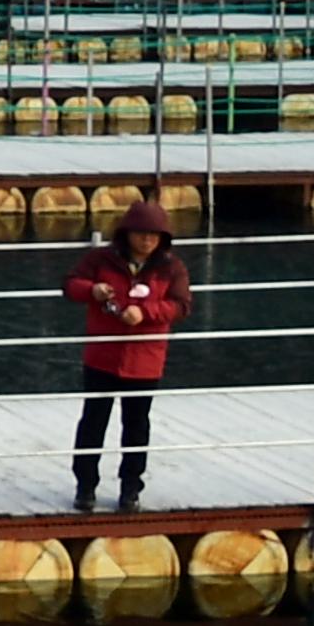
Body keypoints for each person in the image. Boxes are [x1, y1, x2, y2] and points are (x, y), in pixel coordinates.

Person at [64, 198, 192, 512]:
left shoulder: (172, 267)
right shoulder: (100, 259)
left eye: (154, 234)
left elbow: (182, 305)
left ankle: (131, 489)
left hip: (145, 360)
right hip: (102, 354)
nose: (147, 240)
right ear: (126, 233)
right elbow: (69, 285)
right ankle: (85, 486)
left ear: (163, 238)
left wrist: (145, 312)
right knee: (93, 421)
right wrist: (91, 290)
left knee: (136, 426)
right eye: (140, 233)